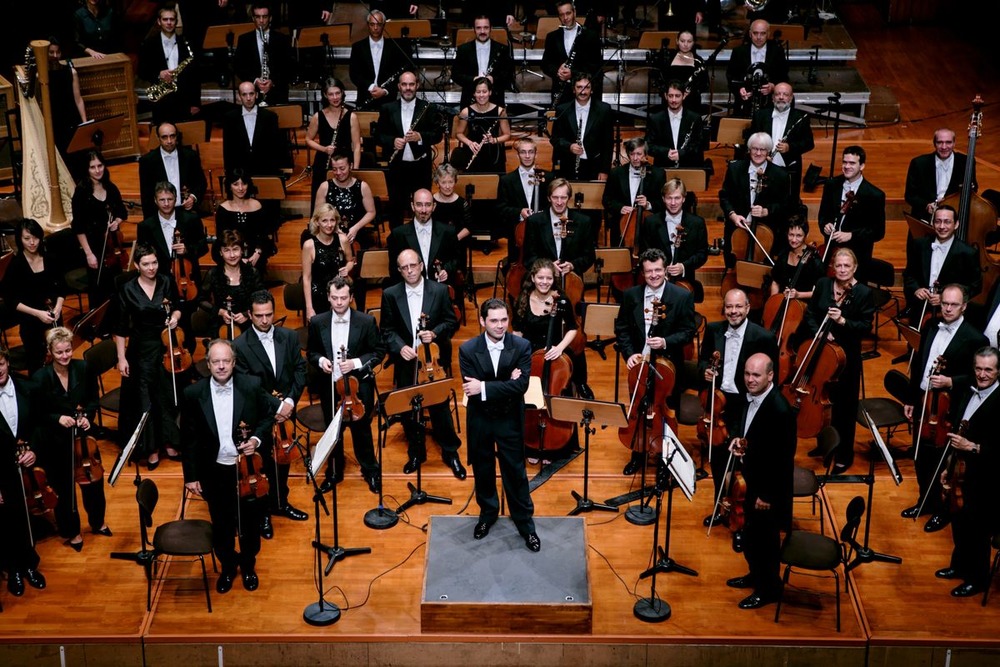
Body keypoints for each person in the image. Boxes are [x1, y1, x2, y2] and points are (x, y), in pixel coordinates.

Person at [181, 339, 280, 594]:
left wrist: (256, 439)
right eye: (216, 361)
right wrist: (191, 476)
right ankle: (227, 567)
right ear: (208, 363)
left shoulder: (251, 385)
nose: (222, 366)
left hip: (246, 469)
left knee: (249, 523)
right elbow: (188, 438)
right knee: (222, 523)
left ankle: (248, 565)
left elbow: (268, 416)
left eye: (226, 361)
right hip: (214, 470)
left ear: (234, 363)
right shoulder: (193, 394)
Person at [901, 284, 986, 533]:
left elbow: (978, 378)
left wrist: (951, 381)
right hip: (923, 403)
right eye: (945, 303)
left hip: (948, 411)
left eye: (953, 305)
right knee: (920, 457)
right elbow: (919, 363)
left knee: (941, 462)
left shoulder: (974, 338)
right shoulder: (929, 325)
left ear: (964, 307)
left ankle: (942, 510)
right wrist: (910, 398)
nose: (947, 308)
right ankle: (924, 502)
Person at [698, 289, 778, 543]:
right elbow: (702, 361)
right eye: (729, 307)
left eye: (738, 307)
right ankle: (720, 508)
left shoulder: (763, 336)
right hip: (720, 403)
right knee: (720, 459)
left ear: (747, 308)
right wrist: (705, 373)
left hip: (747, 404)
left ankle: (744, 519)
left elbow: (771, 375)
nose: (733, 311)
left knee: (745, 464)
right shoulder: (713, 330)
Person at [460, 298, 540, 552]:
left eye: (504, 320)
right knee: (483, 471)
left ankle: (525, 524)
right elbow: (473, 389)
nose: (500, 325)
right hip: (481, 420)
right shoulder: (467, 349)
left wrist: (484, 386)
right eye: (493, 320)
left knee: (515, 473)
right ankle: (488, 514)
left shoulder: (522, 345)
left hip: (509, 420)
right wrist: (507, 382)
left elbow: (521, 386)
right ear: (482, 321)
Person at [379, 249, 465, 479]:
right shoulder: (390, 294)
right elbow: (386, 331)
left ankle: (451, 452)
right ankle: (416, 453)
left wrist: (434, 333)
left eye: (413, 266)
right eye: (404, 268)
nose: (409, 271)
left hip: (433, 359)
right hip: (407, 361)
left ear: (421, 265)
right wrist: (400, 347)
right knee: (409, 409)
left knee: (440, 407)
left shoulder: (438, 290)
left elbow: (450, 322)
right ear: (399, 270)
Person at [614, 248, 697, 475]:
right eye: (649, 271)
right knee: (640, 408)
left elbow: (689, 331)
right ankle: (638, 453)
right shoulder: (631, 295)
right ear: (642, 272)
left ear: (665, 269)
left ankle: (665, 458)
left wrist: (666, 341)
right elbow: (621, 328)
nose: (653, 275)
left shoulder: (681, 296)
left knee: (666, 412)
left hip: (668, 367)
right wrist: (629, 353)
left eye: (658, 270)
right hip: (639, 365)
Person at [724, 353, 796, 610]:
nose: (750, 380)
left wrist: (766, 495)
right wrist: (736, 438)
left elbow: (782, 460)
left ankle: (768, 589)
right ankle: (755, 576)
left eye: (756, 375)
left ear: (770, 376)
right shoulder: (750, 398)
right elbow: (742, 427)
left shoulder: (780, 410)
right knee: (752, 536)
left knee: (765, 541)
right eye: (747, 374)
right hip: (750, 479)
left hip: (767, 490)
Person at [792, 248, 875, 472]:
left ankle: (844, 454)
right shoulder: (823, 284)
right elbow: (810, 314)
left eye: (847, 266)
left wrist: (843, 322)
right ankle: (824, 444)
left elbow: (865, 327)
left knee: (844, 407)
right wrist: (818, 333)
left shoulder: (863, 293)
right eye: (838, 265)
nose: (842, 269)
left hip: (845, 358)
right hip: (821, 352)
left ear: (855, 267)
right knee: (822, 402)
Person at [234, 290, 310, 536]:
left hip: (286, 411)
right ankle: (264, 513)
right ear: (249, 315)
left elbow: (300, 369)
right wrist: (277, 407)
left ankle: (281, 503)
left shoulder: (288, 336)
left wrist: (288, 401)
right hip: (261, 415)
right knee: (263, 463)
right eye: (259, 316)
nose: (265, 320)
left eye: (268, 314)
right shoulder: (241, 345)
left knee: (284, 459)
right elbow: (248, 385)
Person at [32, 327, 110, 552]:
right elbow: (37, 414)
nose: (65, 356)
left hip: (83, 440)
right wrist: (58, 418)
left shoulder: (83, 368)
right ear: (50, 352)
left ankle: (98, 522)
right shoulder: (40, 377)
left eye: (68, 350)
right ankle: (72, 532)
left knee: (93, 484)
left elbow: (93, 400)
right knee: (64, 489)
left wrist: (87, 417)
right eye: (59, 352)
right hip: (56, 441)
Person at [307, 276, 385, 493]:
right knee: (334, 432)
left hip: (359, 386)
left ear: (351, 297)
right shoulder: (317, 322)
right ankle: (334, 473)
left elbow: (378, 352)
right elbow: (312, 352)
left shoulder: (366, 321)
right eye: (334, 298)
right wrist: (322, 361)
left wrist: (356, 362)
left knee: (362, 430)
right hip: (330, 387)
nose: (339, 302)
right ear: (328, 297)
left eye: (343, 298)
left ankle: (370, 470)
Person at [934, 346, 1000, 597]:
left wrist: (973, 447)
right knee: (959, 522)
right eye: (978, 369)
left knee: (978, 530)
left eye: (988, 370)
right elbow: (958, 435)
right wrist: (948, 466)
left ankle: (977, 579)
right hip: (961, 471)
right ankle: (959, 566)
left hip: (987, 478)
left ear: (998, 371)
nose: (982, 375)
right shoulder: (967, 393)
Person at [114, 244, 183, 470]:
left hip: (166, 345)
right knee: (145, 399)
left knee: (165, 395)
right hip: (141, 349)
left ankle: (170, 442)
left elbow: (178, 306)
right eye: (146, 264)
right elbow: (121, 327)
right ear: (137, 266)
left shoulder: (166, 281)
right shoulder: (127, 289)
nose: (151, 268)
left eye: (154, 263)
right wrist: (121, 358)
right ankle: (151, 448)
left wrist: (174, 317)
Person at [136, 180, 208, 345]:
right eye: (162, 200)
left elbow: (203, 247)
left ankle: (188, 353)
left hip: (187, 284)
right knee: (165, 323)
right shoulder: (146, 226)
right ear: (155, 200)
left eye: (169, 199)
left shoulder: (191, 219)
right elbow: (142, 254)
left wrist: (188, 249)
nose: (166, 203)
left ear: (175, 198)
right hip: (161, 282)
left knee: (188, 324)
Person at [513, 258, 592, 402]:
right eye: (540, 277)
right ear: (532, 278)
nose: (544, 282)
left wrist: (560, 348)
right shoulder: (522, 300)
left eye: (549, 278)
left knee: (571, 369)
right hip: (530, 353)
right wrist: (518, 358)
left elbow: (573, 328)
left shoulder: (561, 300)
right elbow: (517, 333)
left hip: (554, 351)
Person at [0, 347, 45, 597]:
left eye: (1, 364)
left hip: (26, 465)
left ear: (7, 363)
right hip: (1, 471)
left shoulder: (26, 387)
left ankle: (30, 565)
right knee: (6, 520)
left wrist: (34, 450)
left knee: (27, 519)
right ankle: (14, 569)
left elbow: (38, 425)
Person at [376, 71, 443, 228]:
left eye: (411, 84)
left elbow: (437, 135)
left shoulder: (427, 108)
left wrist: (420, 136)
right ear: (399, 86)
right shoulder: (387, 108)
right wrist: (392, 141)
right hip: (397, 167)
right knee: (396, 206)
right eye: (404, 84)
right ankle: (398, 243)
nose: (408, 88)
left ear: (417, 85)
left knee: (423, 206)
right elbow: (378, 135)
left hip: (420, 166)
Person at [718, 132, 790, 268]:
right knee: (733, 267)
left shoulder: (780, 175)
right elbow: (724, 196)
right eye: (755, 149)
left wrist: (766, 211)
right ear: (749, 150)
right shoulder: (735, 169)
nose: (758, 153)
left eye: (762, 149)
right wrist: (733, 215)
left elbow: (785, 205)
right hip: (736, 231)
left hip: (766, 233)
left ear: (768, 151)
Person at [2, 219, 65, 374]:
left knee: (60, 360)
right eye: (27, 239)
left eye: (35, 238)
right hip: (31, 322)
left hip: (54, 317)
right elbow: (11, 300)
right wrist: (37, 314)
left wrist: (58, 307)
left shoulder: (50, 258)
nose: (32, 243)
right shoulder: (16, 265)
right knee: (37, 365)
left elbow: (62, 287)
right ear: (20, 239)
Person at [818, 145, 886, 282]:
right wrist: (825, 225)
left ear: (862, 166)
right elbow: (823, 215)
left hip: (858, 256)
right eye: (845, 162)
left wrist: (851, 235)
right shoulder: (831, 185)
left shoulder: (875, 195)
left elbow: (878, 231)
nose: (847, 166)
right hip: (832, 253)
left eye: (852, 163)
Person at [902, 205, 982, 320]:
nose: (942, 226)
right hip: (920, 308)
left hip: (949, 313)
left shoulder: (968, 252)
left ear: (956, 224)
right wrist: (916, 289)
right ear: (933, 223)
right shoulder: (919, 244)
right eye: (938, 222)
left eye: (947, 222)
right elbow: (909, 275)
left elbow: (975, 286)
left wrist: (946, 298)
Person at [71, 150, 128, 309]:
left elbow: (122, 212)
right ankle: (99, 325)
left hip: (113, 245)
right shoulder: (81, 193)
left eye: (100, 165)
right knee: (98, 287)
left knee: (116, 283)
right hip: (93, 247)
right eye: (92, 167)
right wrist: (89, 254)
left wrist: (117, 221)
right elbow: (78, 227)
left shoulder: (111, 187)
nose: (97, 170)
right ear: (87, 169)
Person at [638, 178, 709, 300]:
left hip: (685, 282)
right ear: (663, 199)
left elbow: (702, 254)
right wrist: (659, 269)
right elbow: (644, 252)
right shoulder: (651, 222)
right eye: (669, 198)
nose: (673, 203)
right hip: (655, 281)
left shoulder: (697, 223)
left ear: (684, 198)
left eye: (677, 198)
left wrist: (683, 267)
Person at [748, 82, 814, 205]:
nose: (781, 97)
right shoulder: (760, 115)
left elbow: (809, 143)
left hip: (789, 167)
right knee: (762, 200)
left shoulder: (801, 117)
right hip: (763, 166)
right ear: (773, 98)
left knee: (788, 202)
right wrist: (762, 154)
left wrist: (790, 147)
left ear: (791, 97)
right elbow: (751, 139)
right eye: (778, 94)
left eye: (785, 94)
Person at [522, 178, 597, 284]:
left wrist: (572, 265)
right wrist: (548, 266)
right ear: (549, 198)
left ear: (569, 198)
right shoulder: (534, 221)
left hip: (572, 284)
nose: (559, 202)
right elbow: (529, 258)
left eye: (563, 198)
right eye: (555, 197)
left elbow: (589, 256)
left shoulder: (583, 222)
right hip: (542, 284)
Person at [386, 189, 461, 290]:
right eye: (419, 205)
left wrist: (446, 270)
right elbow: (394, 269)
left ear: (434, 207)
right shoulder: (398, 234)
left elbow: (456, 259)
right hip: (410, 290)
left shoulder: (447, 231)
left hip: (439, 290)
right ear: (412, 206)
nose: (423, 210)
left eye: (428, 205)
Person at [137, 4, 200, 123]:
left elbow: (195, 76)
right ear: (159, 22)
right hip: (162, 98)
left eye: (172, 19)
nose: (169, 22)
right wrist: (158, 74)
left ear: (176, 22)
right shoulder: (149, 44)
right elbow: (142, 71)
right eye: (165, 19)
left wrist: (195, 103)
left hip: (183, 97)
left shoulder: (186, 43)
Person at [305, 78, 362, 207]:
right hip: (323, 162)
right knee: (322, 201)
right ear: (325, 95)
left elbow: (357, 146)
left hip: (344, 164)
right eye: (331, 94)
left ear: (342, 93)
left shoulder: (351, 117)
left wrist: (356, 170)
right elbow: (308, 140)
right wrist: (324, 149)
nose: (335, 97)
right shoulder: (318, 116)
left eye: (338, 93)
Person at [603, 137, 666, 247]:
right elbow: (606, 199)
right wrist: (620, 207)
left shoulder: (658, 174)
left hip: (647, 228)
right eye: (632, 154)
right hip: (621, 227)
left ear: (645, 154)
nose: (635, 158)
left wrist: (648, 204)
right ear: (628, 154)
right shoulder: (616, 173)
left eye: (639, 154)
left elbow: (663, 203)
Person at [201, 230, 265, 338]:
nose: (232, 255)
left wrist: (246, 314)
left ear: (241, 251)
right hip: (221, 328)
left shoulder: (252, 273)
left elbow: (262, 299)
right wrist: (220, 311)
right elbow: (201, 299)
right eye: (226, 250)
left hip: (248, 327)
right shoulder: (213, 274)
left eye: (235, 249)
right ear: (221, 252)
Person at [138, 121, 207, 219]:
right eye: (164, 137)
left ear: (177, 137)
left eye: (172, 136)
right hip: (160, 215)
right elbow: (146, 195)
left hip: (187, 212)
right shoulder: (147, 161)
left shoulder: (190, 156)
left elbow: (201, 183)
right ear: (158, 138)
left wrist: (193, 198)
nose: (169, 141)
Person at [551, 72, 613, 181]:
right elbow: (555, 139)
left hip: (594, 166)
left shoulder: (604, 110)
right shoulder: (562, 109)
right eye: (579, 87)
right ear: (574, 89)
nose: (583, 92)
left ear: (592, 90)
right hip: (568, 166)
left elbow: (608, 143)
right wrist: (569, 146)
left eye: (587, 87)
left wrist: (604, 170)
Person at [905, 128, 975, 222]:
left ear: (954, 143)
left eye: (948, 142)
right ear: (934, 143)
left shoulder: (966, 162)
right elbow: (910, 195)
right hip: (926, 217)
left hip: (955, 216)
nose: (944, 147)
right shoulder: (919, 163)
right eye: (940, 142)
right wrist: (926, 205)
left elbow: (974, 189)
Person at [542, 1, 603, 107]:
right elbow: (545, 64)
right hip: (561, 93)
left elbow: (595, 66)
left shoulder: (590, 36)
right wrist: (558, 71)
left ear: (574, 12)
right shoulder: (552, 37)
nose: (565, 17)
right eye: (562, 14)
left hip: (583, 90)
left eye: (568, 13)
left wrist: (573, 73)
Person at [215, 169, 274, 275]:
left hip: (256, 256)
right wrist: (238, 259)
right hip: (231, 257)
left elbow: (264, 235)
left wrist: (257, 253)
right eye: (236, 184)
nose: (241, 188)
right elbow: (222, 239)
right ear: (229, 186)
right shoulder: (223, 209)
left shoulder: (258, 206)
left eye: (244, 183)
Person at [349, 9, 411, 111]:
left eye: (379, 24)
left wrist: (385, 91)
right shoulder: (358, 47)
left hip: (388, 100)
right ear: (367, 25)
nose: (375, 28)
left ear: (383, 25)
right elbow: (354, 74)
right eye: (372, 24)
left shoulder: (394, 47)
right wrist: (371, 87)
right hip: (365, 98)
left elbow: (398, 74)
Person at [222, 82, 288, 177]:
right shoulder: (230, 118)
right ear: (239, 97)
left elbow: (276, 146)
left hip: (265, 169)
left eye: (251, 94)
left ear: (256, 95)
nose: (248, 98)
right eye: (244, 94)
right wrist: (229, 172)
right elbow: (228, 148)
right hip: (241, 172)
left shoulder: (270, 117)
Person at [234, 2, 293, 106]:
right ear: (253, 18)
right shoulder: (244, 40)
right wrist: (255, 80)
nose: (261, 21)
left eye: (265, 17)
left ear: (270, 18)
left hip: (278, 93)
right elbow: (239, 67)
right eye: (258, 17)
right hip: (253, 94)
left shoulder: (282, 39)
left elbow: (288, 66)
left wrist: (273, 81)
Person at [726, 19, 788, 118]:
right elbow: (731, 77)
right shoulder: (738, 52)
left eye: (762, 33)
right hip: (745, 103)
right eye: (755, 33)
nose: (758, 37)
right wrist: (740, 89)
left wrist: (772, 86)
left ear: (768, 34)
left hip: (770, 103)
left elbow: (783, 76)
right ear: (750, 34)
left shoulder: (777, 52)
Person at [497, 137, 545, 264]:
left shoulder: (548, 177)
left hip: (542, 234)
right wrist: (519, 212)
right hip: (517, 236)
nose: (527, 156)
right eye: (523, 152)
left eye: (531, 152)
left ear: (536, 153)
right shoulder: (506, 180)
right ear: (518, 155)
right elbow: (501, 208)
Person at [314, 154, 378, 248]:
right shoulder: (324, 187)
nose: (338, 173)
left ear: (350, 166)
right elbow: (317, 214)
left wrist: (355, 228)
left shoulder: (363, 186)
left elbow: (371, 212)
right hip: (330, 230)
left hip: (356, 230)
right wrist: (334, 228)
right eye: (334, 169)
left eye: (342, 168)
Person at [452, 15, 514, 110]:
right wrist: (473, 79)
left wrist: (493, 79)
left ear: (491, 28)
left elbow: (509, 75)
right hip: (469, 99)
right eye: (478, 28)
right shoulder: (463, 49)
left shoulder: (502, 50)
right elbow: (455, 75)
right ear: (473, 29)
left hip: (495, 98)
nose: (482, 31)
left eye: (486, 28)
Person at [452, 78, 511, 174]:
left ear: (490, 92)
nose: (481, 95)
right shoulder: (466, 112)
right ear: (474, 94)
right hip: (473, 152)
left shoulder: (500, 112)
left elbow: (507, 134)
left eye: (484, 91)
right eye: (478, 92)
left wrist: (494, 140)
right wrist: (469, 143)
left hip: (493, 153)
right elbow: (459, 133)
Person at [646, 80, 706, 170]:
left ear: (684, 96)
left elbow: (699, 145)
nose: (674, 100)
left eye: (677, 96)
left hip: (688, 167)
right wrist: (666, 152)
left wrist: (682, 153)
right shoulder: (655, 119)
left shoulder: (695, 118)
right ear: (666, 96)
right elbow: (648, 146)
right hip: (663, 168)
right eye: (670, 96)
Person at [46, 38, 87, 159]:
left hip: (70, 118)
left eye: (57, 52)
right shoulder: (41, 77)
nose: (55, 56)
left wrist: (84, 122)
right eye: (51, 52)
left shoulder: (70, 72)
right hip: (54, 121)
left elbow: (78, 99)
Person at [768, 215, 824, 301]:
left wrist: (798, 295)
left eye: (798, 236)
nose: (794, 240)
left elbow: (821, 291)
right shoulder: (784, 254)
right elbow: (776, 281)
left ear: (806, 235)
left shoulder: (814, 260)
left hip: (803, 305)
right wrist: (773, 302)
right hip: (782, 301)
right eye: (791, 235)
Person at [660, 30, 707, 113]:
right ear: (677, 41)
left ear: (694, 42)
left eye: (689, 41)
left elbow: (704, 84)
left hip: (692, 101)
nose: (685, 44)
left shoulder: (699, 61)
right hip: (671, 100)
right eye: (682, 41)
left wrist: (690, 91)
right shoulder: (668, 59)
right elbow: (662, 82)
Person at [432, 164, 471, 244]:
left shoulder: (462, 203)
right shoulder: (431, 202)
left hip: (457, 242)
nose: (447, 186)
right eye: (443, 182)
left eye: (451, 182)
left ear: (455, 182)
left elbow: (469, 227)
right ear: (437, 183)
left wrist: (454, 240)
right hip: (435, 243)